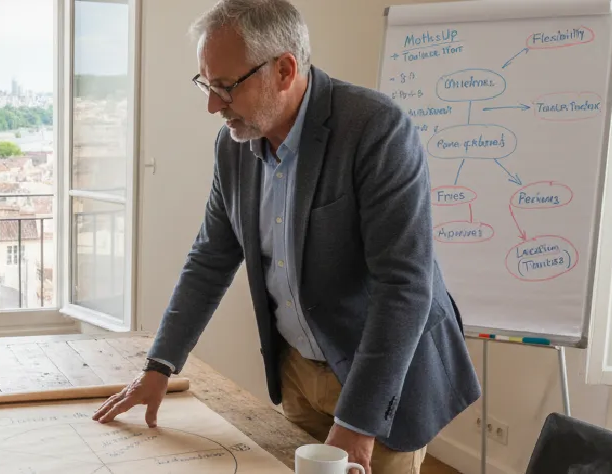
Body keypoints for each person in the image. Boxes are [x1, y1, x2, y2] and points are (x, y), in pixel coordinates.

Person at [92, 1, 481, 473]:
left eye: (225, 86)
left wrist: (358, 422)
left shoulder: (376, 128)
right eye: (206, 84)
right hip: (298, 374)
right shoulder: (233, 146)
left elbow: (404, 286)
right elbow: (210, 259)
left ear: (284, 70)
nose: (212, 105)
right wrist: (160, 366)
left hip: (379, 383)